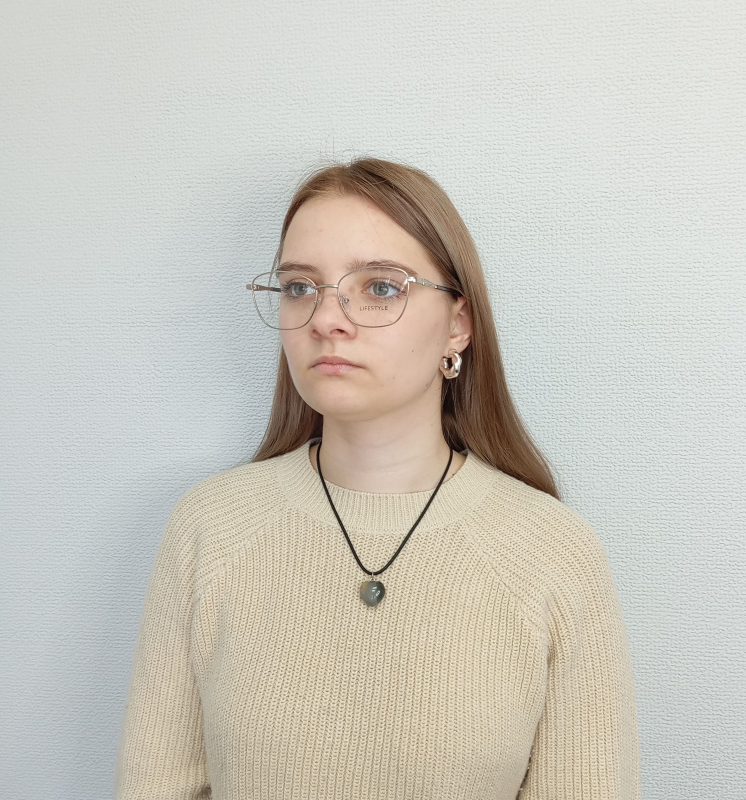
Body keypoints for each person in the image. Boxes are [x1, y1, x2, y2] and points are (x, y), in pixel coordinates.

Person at [114, 157, 641, 799]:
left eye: (381, 288)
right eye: (300, 287)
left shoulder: (554, 554)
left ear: (458, 325)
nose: (325, 319)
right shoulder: (211, 528)